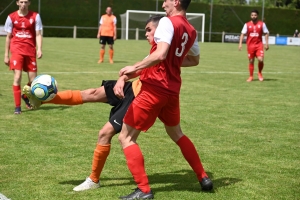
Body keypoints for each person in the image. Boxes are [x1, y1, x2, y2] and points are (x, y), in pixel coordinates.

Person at [23, 15, 164, 192]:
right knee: (91, 93)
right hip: (130, 88)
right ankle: (46, 99)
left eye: (149, 30)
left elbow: (182, 62)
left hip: (139, 98)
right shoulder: (155, 50)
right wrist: (122, 79)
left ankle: (94, 180)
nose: (146, 34)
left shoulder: (164, 51)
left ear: (162, 30)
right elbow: (140, 66)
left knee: (104, 134)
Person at [113, 0, 213, 199]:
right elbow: (194, 60)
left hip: (154, 90)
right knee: (176, 133)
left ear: (176, 2)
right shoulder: (191, 29)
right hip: (172, 91)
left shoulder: (168, 22)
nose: (163, 3)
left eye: (167, 0)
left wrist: (132, 68)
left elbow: (160, 54)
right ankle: (203, 177)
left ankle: (143, 190)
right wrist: (168, 61)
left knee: (126, 137)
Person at [3, 0, 43, 114]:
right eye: (21, 2)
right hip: (16, 50)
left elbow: (38, 34)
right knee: (17, 77)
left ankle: (25, 96)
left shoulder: (35, 16)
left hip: (30, 51)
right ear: (17, 3)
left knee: (33, 81)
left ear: (29, 3)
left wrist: (39, 49)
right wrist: (6, 55)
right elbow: (8, 37)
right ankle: (17, 107)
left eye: (26, 2)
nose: (23, 4)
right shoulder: (11, 17)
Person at [238, 9, 269, 82]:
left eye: (255, 15)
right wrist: (240, 44)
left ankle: (260, 73)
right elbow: (242, 34)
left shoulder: (262, 24)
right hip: (250, 45)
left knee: (260, 59)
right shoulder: (247, 24)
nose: (253, 16)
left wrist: (266, 43)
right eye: (252, 15)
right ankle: (251, 76)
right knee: (251, 61)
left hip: (259, 45)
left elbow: (266, 33)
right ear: (250, 16)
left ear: (257, 16)